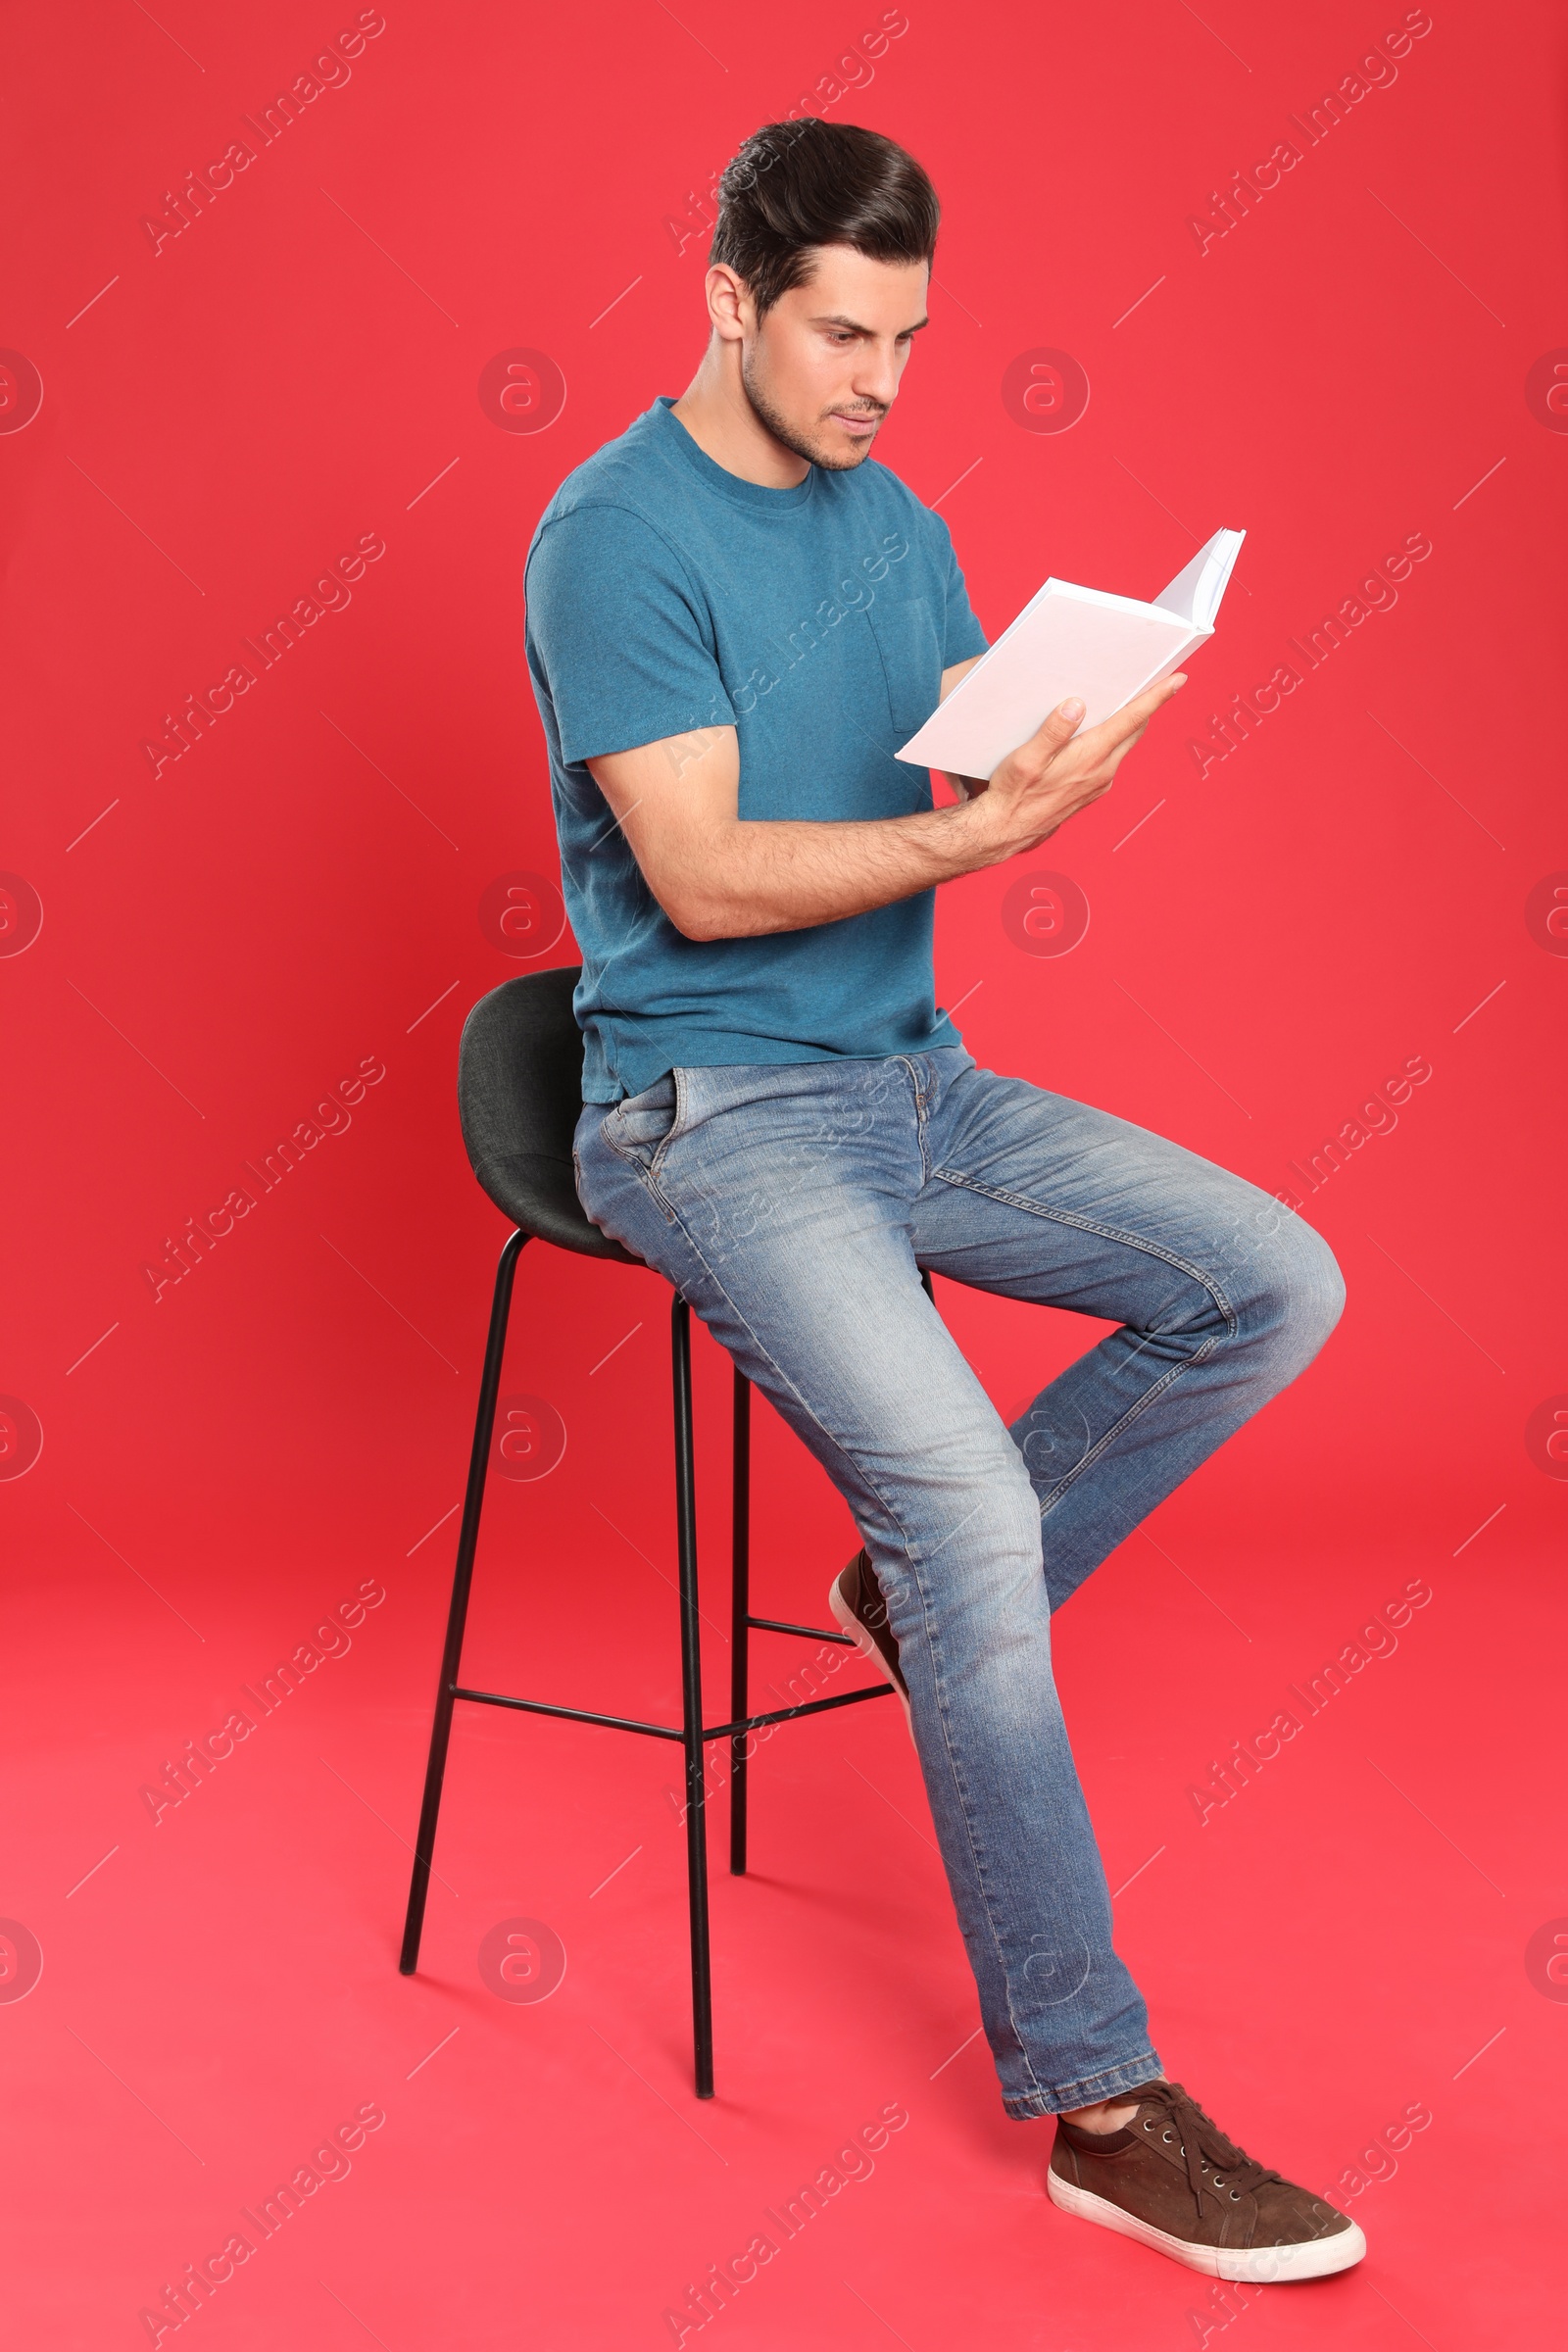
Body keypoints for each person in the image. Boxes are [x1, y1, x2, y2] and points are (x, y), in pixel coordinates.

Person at [523, 117, 1361, 2284]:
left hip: (913, 1084)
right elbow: (704, 878)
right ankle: (1099, 2100)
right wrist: (979, 842)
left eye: (903, 334)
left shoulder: (892, 515)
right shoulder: (610, 538)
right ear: (728, 301)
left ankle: (915, 1606)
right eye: (836, 330)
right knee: (976, 1513)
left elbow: (940, 759)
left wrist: (1058, 727)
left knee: (1271, 1279)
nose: (878, 376)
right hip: (707, 1114)